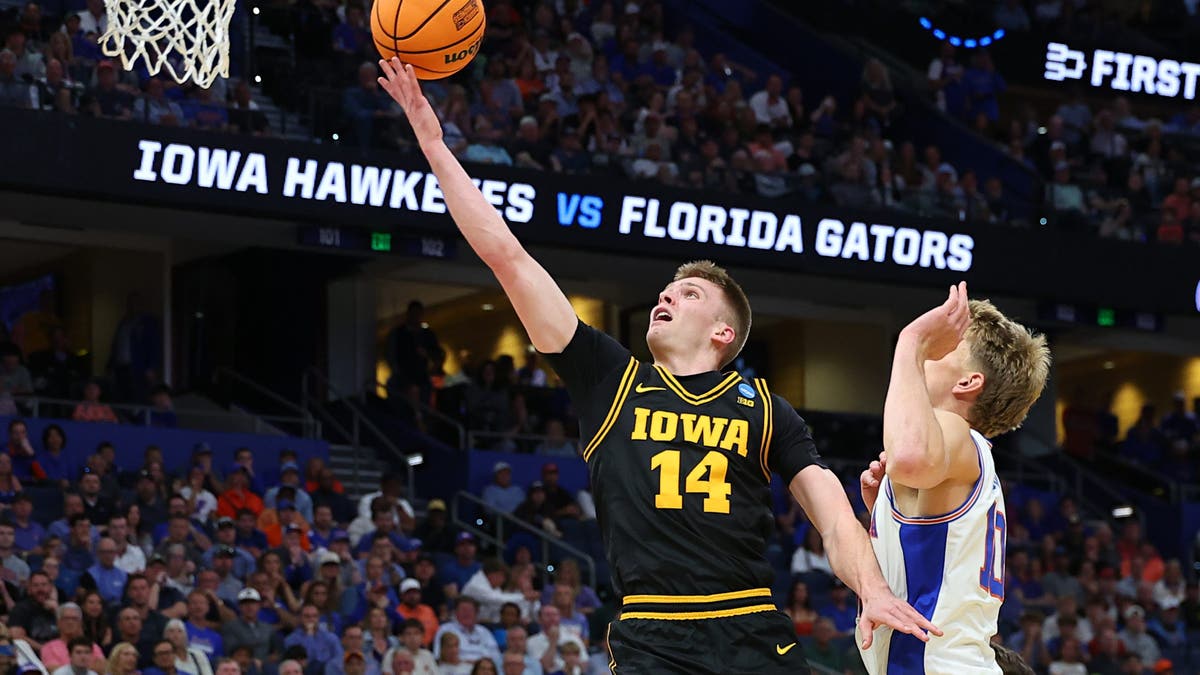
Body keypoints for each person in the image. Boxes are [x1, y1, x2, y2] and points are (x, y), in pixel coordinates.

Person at [378, 56, 936, 673]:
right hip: (652, 634)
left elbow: (831, 514)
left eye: (689, 293)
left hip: (748, 626)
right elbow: (508, 257)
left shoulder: (764, 408)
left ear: (725, 332)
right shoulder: (610, 379)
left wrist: (873, 589)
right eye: (668, 290)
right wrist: (432, 142)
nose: (667, 295)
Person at [858, 283, 1051, 673]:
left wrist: (911, 342)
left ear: (968, 382)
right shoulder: (960, 452)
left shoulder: (956, 430)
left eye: (943, 347)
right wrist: (887, 520)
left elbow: (909, 458)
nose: (932, 350)